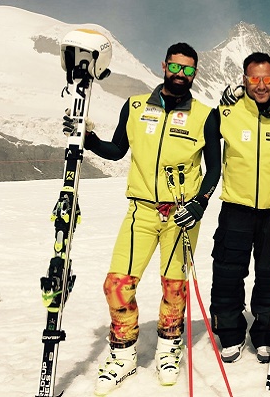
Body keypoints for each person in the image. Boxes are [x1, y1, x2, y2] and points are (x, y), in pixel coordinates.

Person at [65, 42, 222, 395]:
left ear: (195, 73)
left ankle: (169, 348)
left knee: (174, 287)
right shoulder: (136, 107)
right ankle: (123, 355)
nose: (181, 75)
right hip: (141, 211)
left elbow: (215, 169)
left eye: (188, 70)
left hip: (182, 213)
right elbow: (117, 149)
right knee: (117, 284)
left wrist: (200, 202)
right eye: (176, 67)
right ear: (164, 65)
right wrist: (88, 140)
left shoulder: (205, 115)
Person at [209, 52, 270, 365]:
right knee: (228, 273)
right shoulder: (226, 114)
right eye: (254, 79)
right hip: (237, 208)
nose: (261, 85)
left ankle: (264, 334)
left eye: (267, 79)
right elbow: (193, 141)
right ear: (244, 80)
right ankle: (231, 334)